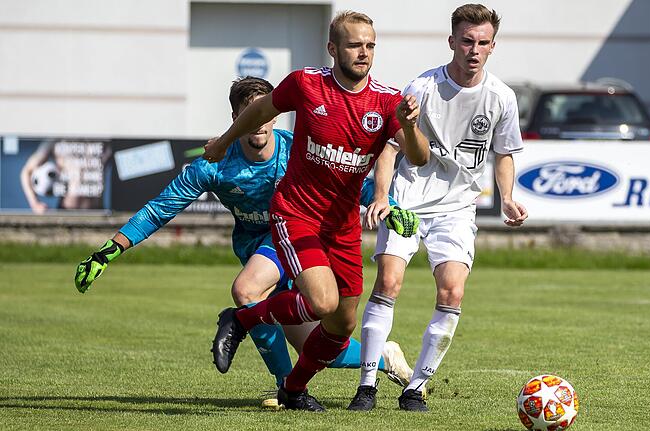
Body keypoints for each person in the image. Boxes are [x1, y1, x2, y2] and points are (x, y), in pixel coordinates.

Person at [73, 76, 419, 404]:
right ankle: (382, 356)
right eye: (249, 116)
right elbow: (160, 208)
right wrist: (110, 249)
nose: (259, 124)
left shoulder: (296, 150)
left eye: (266, 114)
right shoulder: (215, 165)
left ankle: (288, 391)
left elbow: (351, 181)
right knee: (321, 349)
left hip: (301, 239)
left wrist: (389, 203)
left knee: (247, 292)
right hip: (260, 250)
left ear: (274, 115)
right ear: (237, 118)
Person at [207, 11, 430, 412]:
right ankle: (242, 320)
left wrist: (410, 126)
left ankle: (292, 389)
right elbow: (260, 112)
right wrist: (225, 142)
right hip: (296, 214)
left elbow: (419, 156)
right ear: (333, 49)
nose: (364, 53)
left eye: (370, 46)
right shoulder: (306, 84)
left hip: (342, 227)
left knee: (341, 326)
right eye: (354, 45)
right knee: (322, 302)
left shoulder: (387, 101)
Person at [348, 3, 528, 412]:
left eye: (483, 42)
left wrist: (508, 199)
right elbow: (390, 149)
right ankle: (367, 385)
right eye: (467, 41)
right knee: (389, 283)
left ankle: (415, 387)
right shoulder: (422, 88)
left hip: (458, 208)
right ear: (452, 41)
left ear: (493, 46)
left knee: (452, 291)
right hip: (409, 199)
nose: (474, 50)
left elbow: (503, 154)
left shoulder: (501, 97)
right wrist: (380, 197)